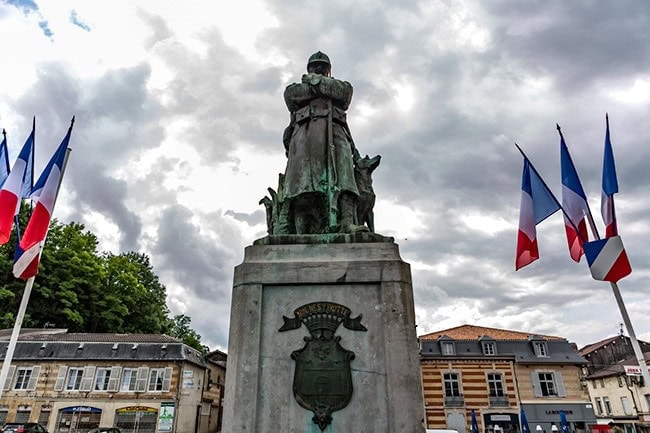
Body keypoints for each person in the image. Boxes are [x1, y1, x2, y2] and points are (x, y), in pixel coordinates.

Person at [282, 51, 367, 234]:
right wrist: (324, 88)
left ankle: (346, 221)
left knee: (344, 175)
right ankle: (298, 227)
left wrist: (314, 83)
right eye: (315, 66)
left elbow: (343, 94)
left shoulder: (342, 86)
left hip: (335, 132)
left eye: (323, 66)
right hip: (304, 135)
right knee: (301, 183)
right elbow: (292, 97)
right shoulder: (294, 88)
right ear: (309, 68)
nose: (318, 68)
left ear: (329, 70)